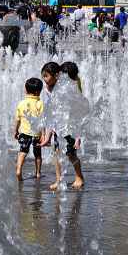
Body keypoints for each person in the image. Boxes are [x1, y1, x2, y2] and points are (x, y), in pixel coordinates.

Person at [40, 61, 85, 191]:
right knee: (56, 154)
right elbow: (50, 113)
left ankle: (79, 177)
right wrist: (47, 136)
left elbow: (78, 113)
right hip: (57, 128)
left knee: (71, 155)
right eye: (43, 76)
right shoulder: (51, 89)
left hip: (69, 128)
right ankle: (58, 180)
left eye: (46, 76)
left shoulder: (71, 90)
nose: (44, 79)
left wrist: (78, 137)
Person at [14, 77, 44, 180]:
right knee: (38, 155)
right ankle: (38, 173)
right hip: (36, 134)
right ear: (38, 91)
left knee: (22, 151)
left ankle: (18, 170)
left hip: (24, 133)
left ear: (26, 90)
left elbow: (17, 119)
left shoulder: (21, 103)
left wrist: (15, 131)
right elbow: (42, 121)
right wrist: (43, 135)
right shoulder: (40, 103)